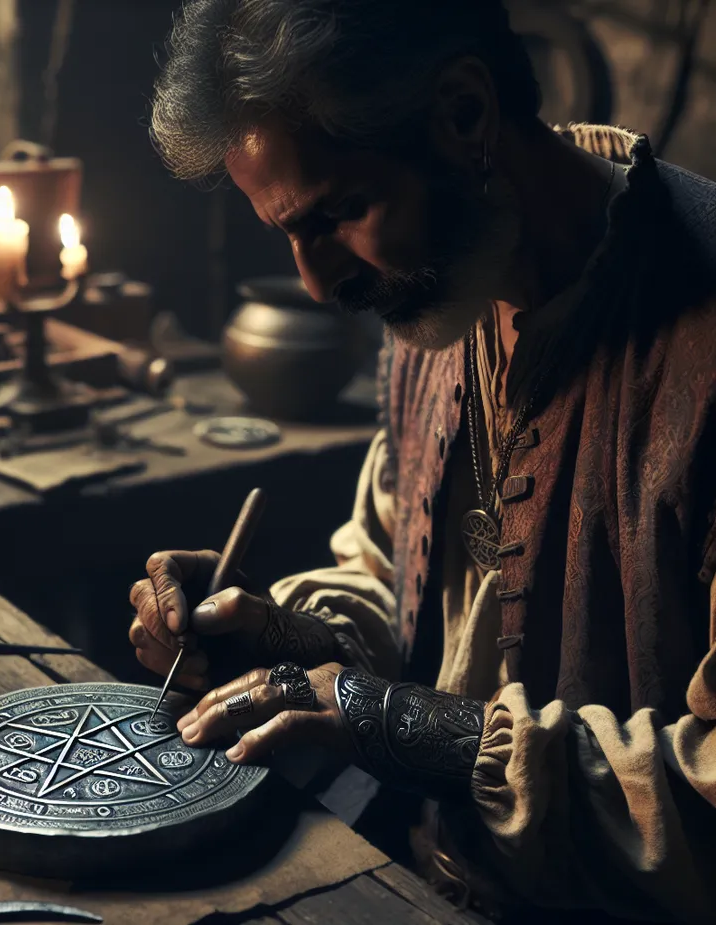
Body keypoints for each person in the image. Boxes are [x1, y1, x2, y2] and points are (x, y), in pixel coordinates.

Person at [127, 1, 716, 921]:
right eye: (287, 232)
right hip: (423, 876)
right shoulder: (449, 281)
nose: (320, 283)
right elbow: (395, 573)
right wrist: (277, 634)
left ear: (465, 115)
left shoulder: (696, 331)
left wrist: (414, 730)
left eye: (341, 212)